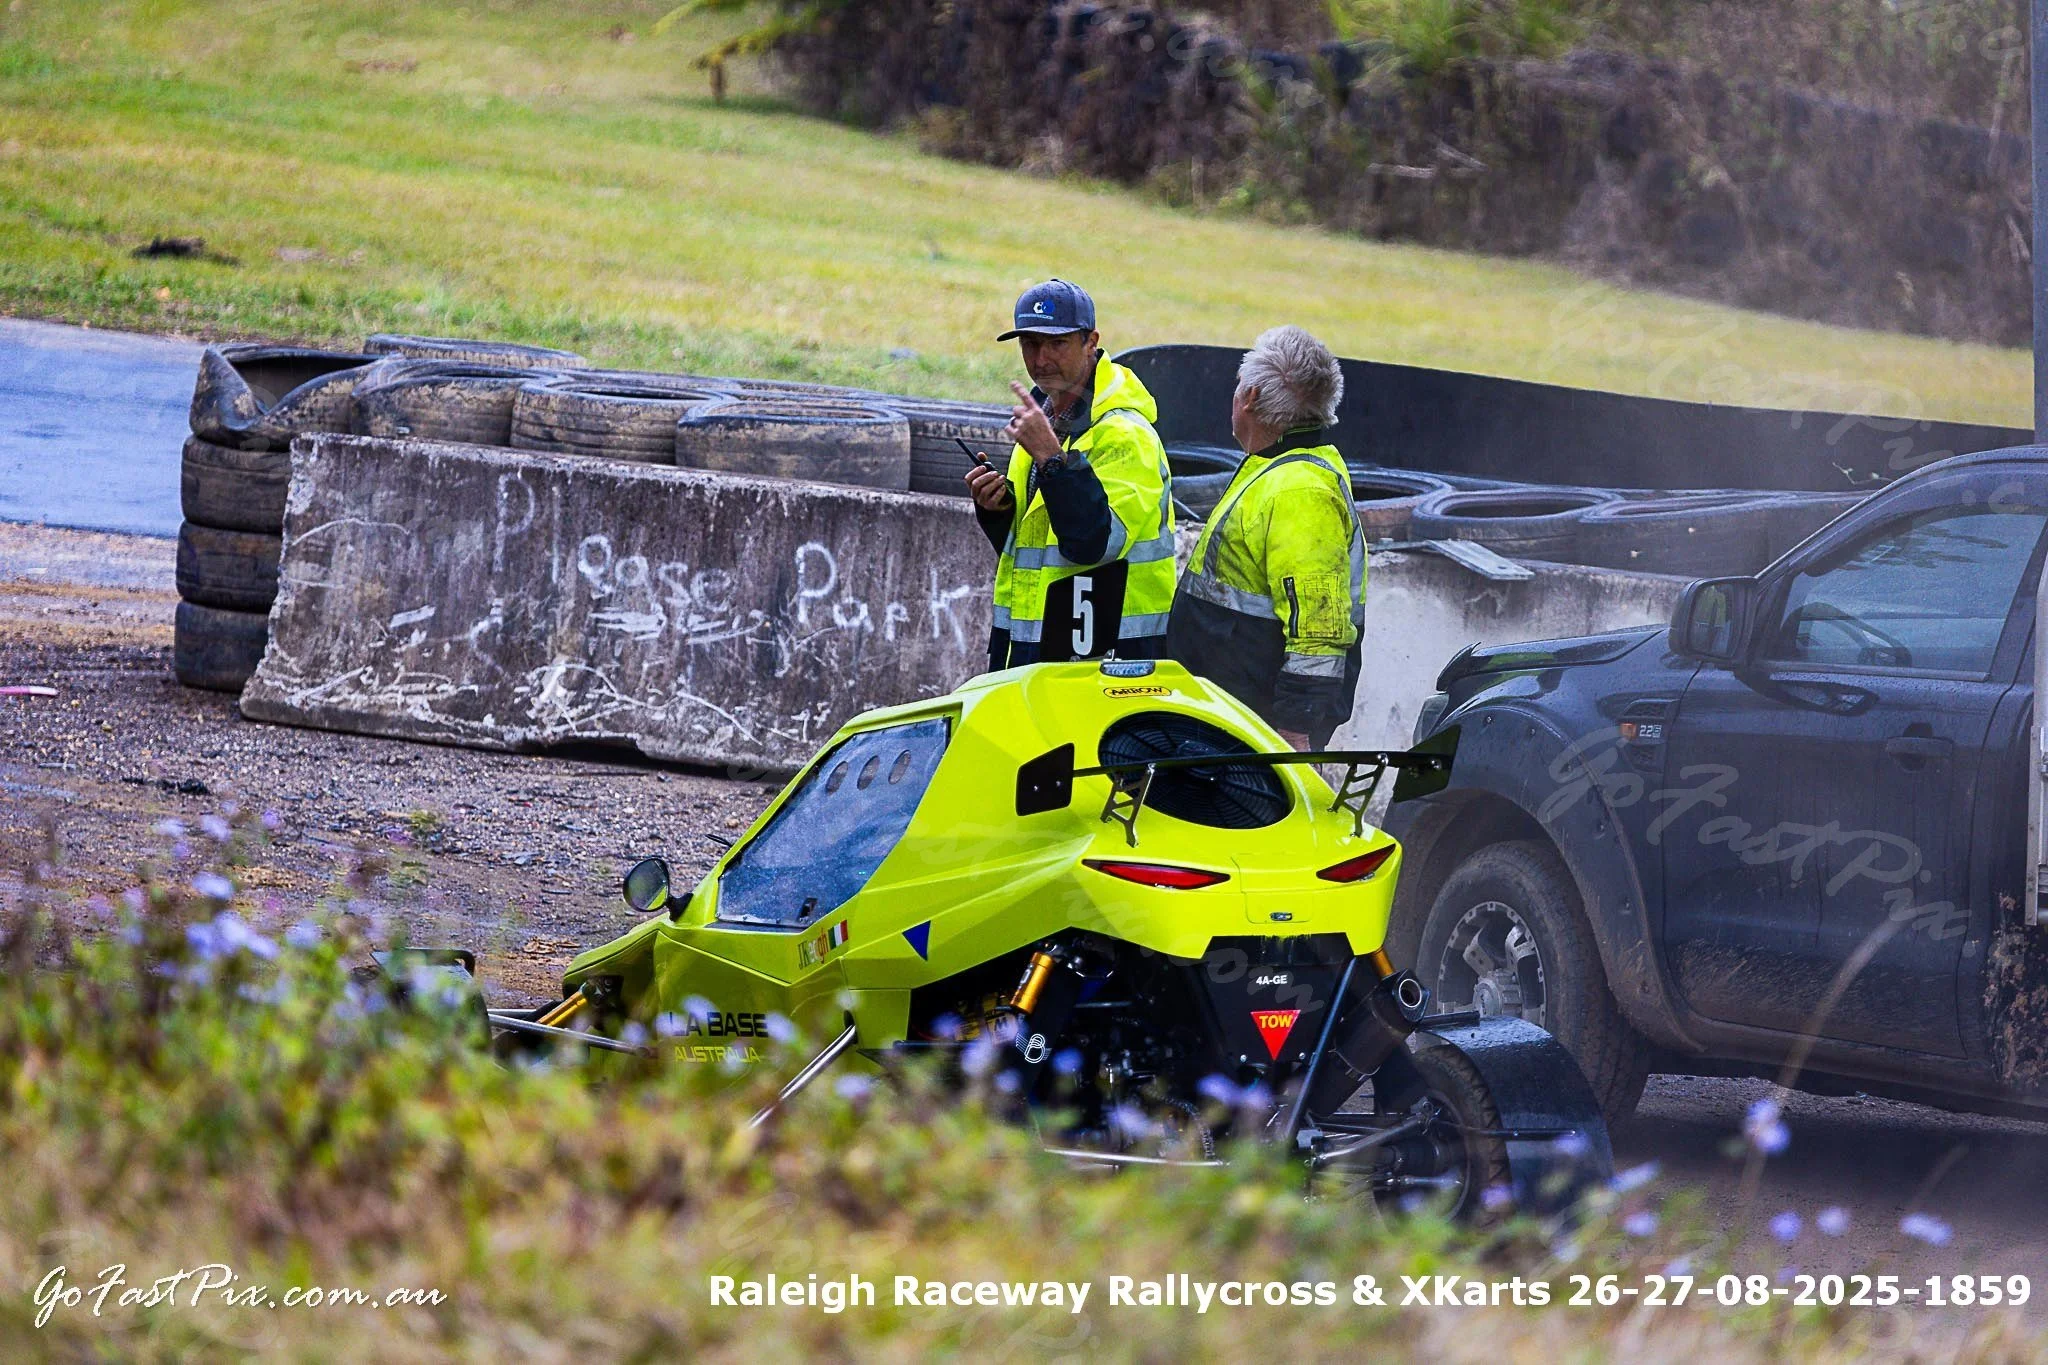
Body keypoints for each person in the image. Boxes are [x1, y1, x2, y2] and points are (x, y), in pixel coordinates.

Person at [1166, 325, 1365, 749]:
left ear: (1251, 397)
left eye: (1239, 385)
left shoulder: (1300, 491)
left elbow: (1319, 630)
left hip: (1256, 732)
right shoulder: (1277, 468)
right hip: (1227, 715)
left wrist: (1295, 733)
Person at [965, 279, 1175, 672]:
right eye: (1030, 344)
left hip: (1108, 659)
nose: (1041, 359)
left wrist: (1051, 459)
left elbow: (1095, 544)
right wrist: (997, 509)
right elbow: (1035, 546)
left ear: (1090, 341)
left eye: (1056, 343)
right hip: (1034, 645)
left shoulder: (1125, 434)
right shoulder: (1045, 423)